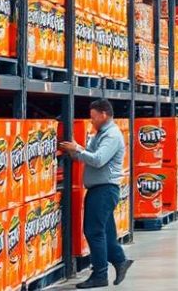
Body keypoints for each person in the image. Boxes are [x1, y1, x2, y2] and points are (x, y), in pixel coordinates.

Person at [60, 99, 133, 288]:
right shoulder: (100, 134)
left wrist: (78, 150)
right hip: (99, 190)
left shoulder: (112, 136)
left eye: (93, 118)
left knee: (93, 231)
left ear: (104, 115)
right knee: (107, 232)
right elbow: (88, 153)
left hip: (104, 190)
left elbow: (98, 159)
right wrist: (74, 151)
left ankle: (100, 274)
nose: (91, 121)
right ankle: (120, 261)